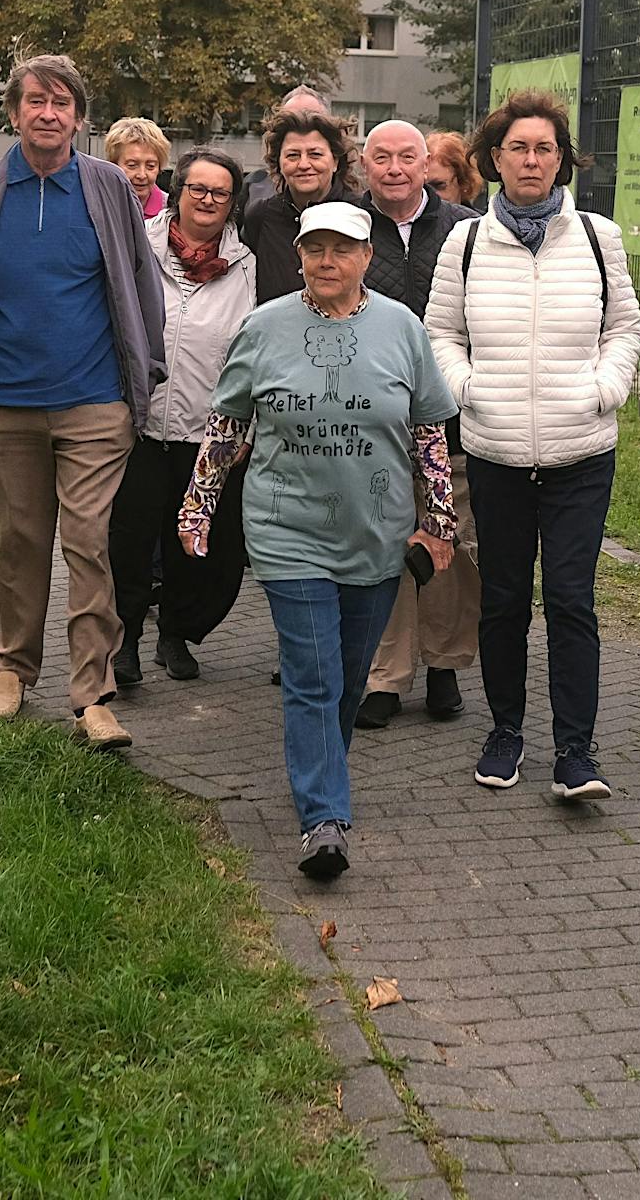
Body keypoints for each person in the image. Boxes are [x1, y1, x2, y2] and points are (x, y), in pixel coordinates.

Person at [179, 203, 457, 880]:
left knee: (349, 679)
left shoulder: (402, 328)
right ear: (299, 255)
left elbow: (428, 432)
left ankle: (320, 777)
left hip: (375, 530)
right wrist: (198, 506)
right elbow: (227, 424)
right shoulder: (265, 326)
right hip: (287, 528)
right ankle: (324, 817)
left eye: (343, 249)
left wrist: (441, 520)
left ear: (367, 256)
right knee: (312, 673)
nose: (327, 261)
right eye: (315, 250)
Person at [0, 53, 166, 752]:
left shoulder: (108, 188)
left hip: (95, 402)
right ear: (14, 112)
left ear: (81, 118)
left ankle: (93, 693)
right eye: (36, 101)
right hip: (0, 405)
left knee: (89, 543)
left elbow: (141, 286)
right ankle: (11, 668)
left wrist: (142, 379)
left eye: (62, 103)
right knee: (20, 541)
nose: (49, 113)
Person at [425, 91, 640, 801]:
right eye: (517, 147)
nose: (531, 159)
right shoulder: (463, 242)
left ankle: (577, 751)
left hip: (582, 449)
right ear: (493, 160)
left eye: (544, 148)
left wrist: (606, 387)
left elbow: (625, 329)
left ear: (563, 160)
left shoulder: (597, 239)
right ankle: (506, 731)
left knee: (573, 599)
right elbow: (441, 337)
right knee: (505, 600)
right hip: (495, 451)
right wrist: (467, 389)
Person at [108, 149, 256, 687]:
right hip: (138, 430)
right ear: (177, 191)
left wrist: (247, 429)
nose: (208, 201)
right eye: (198, 189)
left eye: (220, 193)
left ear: (232, 202)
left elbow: (256, 353)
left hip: (210, 436)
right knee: (126, 542)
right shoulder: (137, 246)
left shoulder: (248, 265)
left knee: (202, 551)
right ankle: (123, 640)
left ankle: (177, 633)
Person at [351, 120, 482, 729]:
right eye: (383, 158)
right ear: (364, 164)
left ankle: (445, 665)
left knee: (447, 541)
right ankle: (385, 675)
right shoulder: (346, 226)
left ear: (427, 162)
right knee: (381, 547)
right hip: (372, 418)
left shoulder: (463, 228)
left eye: (408, 157)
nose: (396, 168)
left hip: (449, 419)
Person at [241, 106, 356, 303]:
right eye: (293, 155)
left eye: (315, 154)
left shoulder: (359, 214)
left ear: (335, 161)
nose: (303, 164)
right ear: (279, 162)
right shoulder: (260, 216)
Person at [104, 117, 172, 220]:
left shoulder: (170, 211)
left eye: (151, 166)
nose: (142, 175)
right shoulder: (100, 205)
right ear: (114, 165)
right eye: (132, 165)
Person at [425, 130, 484, 209]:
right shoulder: (408, 220)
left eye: (439, 186)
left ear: (463, 183)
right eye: (424, 188)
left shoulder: (483, 221)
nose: (430, 194)